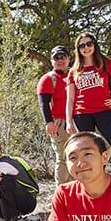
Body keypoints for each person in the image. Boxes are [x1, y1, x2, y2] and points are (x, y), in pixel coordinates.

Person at [64, 32, 111, 181]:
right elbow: (70, 98)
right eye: (82, 46)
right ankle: (96, 180)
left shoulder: (105, 63)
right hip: (82, 114)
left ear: (95, 45)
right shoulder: (74, 70)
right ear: (77, 49)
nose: (86, 48)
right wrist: (68, 121)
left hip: (104, 111)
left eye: (89, 44)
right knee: (88, 149)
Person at [37, 45, 72, 185]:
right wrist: (49, 122)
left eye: (63, 56)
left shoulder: (75, 75)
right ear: (52, 61)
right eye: (56, 58)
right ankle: (62, 191)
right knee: (63, 158)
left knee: (79, 156)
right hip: (60, 123)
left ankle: (78, 190)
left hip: (77, 121)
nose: (60, 60)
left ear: (69, 58)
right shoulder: (48, 79)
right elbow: (43, 103)